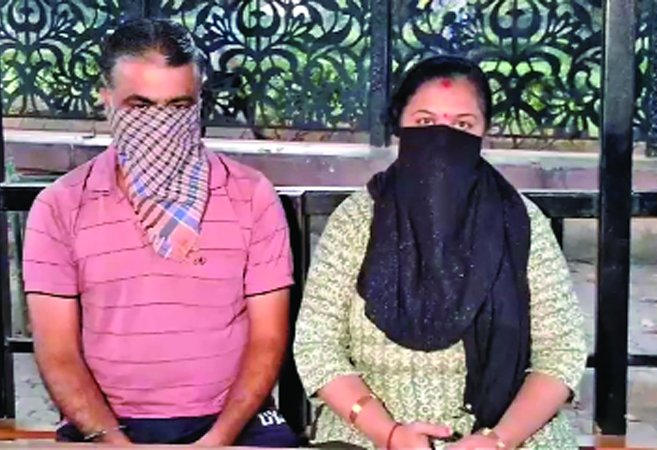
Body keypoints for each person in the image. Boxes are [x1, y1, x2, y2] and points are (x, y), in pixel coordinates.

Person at [23, 18, 298, 447]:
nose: (161, 126)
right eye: (140, 107)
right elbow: (57, 352)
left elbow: (268, 338)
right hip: (110, 424)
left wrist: (217, 440)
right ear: (107, 100)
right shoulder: (60, 206)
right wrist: (114, 442)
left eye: (178, 106)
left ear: (199, 102)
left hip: (234, 422)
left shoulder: (251, 196)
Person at [293, 56, 587, 450]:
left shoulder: (518, 222)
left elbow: (561, 353)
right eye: (425, 122)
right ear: (399, 125)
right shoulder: (358, 219)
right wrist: (389, 434)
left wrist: (498, 440)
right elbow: (316, 344)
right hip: (367, 436)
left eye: (462, 125)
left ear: (484, 132)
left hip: (507, 437)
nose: (442, 139)